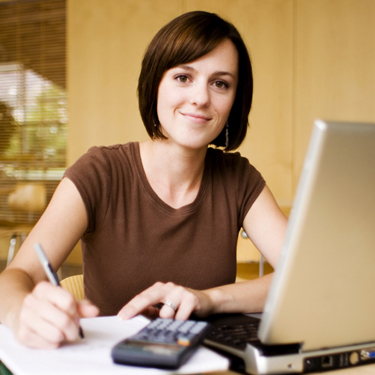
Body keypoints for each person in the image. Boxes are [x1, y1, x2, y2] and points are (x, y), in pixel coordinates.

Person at [0, 11, 287, 349]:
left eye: (220, 83)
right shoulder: (100, 172)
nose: (200, 98)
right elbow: (15, 278)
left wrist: (210, 299)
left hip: (202, 366)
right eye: (183, 77)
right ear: (155, 85)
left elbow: (303, 278)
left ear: (234, 102)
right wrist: (22, 313)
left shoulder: (238, 179)